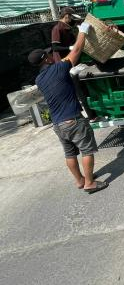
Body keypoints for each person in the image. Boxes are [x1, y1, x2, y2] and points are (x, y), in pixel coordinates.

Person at [28, 21, 108, 194]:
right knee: (87, 151)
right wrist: (83, 32)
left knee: (70, 154)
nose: (51, 56)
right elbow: (76, 51)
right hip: (73, 120)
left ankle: (79, 181)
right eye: (49, 55)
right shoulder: (59, 68)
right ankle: (89, 183)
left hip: (58, 125)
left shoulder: (39, 80)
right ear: (47, 59)